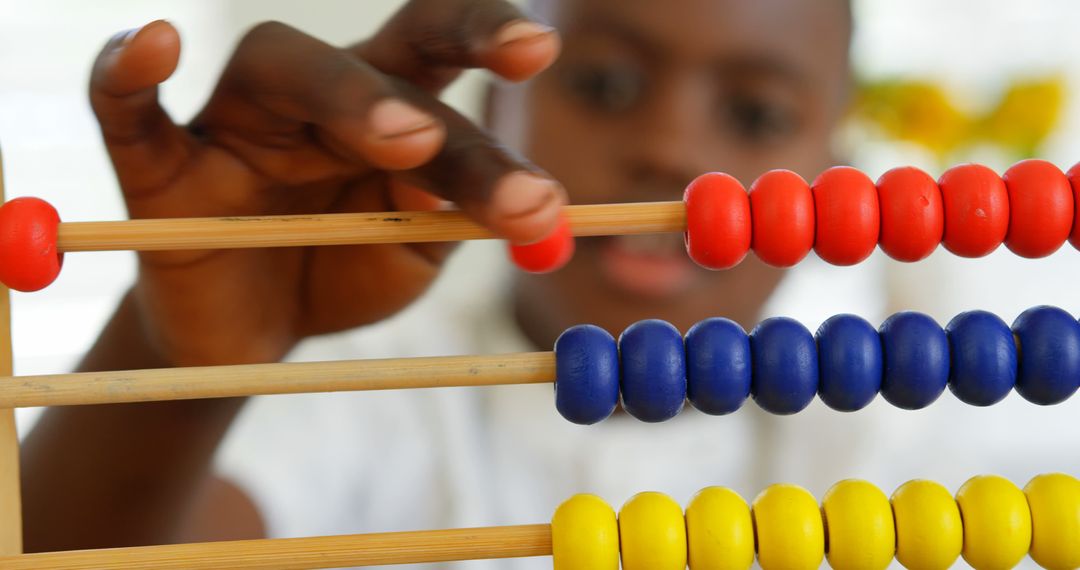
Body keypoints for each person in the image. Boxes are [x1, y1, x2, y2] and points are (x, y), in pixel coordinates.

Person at [21, 0, 855, 563]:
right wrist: (178, 365)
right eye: (604, 85)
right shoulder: (363, 389)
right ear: (499, 116)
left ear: (838, 169)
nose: (670, 150)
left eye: (755, 115)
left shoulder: (890, 434)